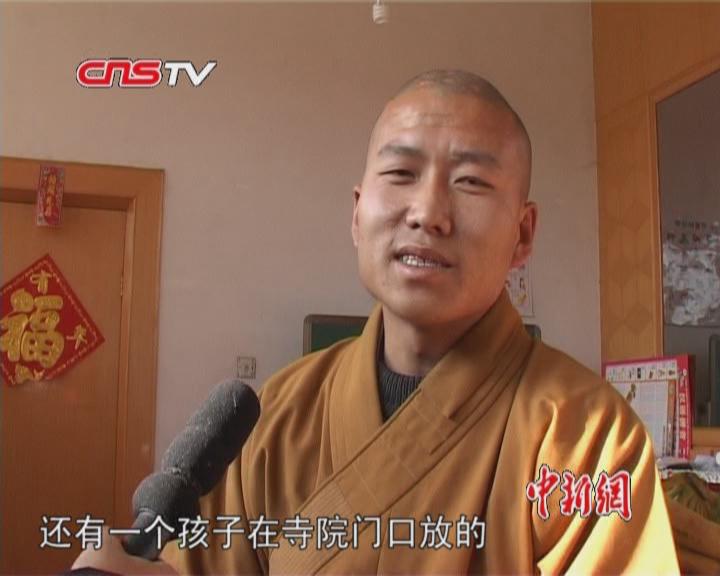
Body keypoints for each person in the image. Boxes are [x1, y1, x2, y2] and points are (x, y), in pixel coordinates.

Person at [74, 69, 679, 574]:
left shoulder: (587, 436)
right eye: (400, 174)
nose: (428, 212)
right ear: (358, 215)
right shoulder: (281, 411)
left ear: (522, 234)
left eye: (470, 181)